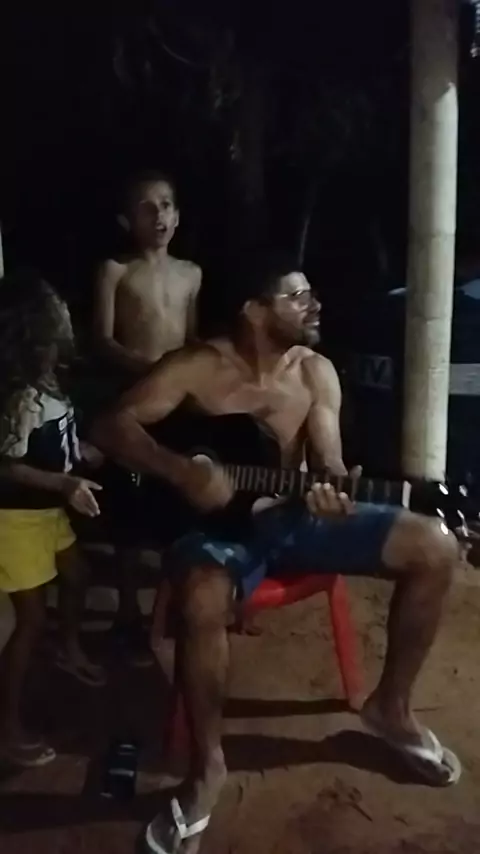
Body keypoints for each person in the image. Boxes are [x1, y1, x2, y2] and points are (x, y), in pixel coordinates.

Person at [91, 252, 461, 854]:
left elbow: (330, 459)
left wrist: (333, 486)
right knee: (201, 597)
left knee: (435, 546)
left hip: (296, 518)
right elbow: (109, 426)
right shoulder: (197, 366)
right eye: (297, 296)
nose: (314, 305)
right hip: (218, 531)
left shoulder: (315, 371)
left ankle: (390, 708)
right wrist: (179, 471)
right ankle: (207, 767)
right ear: (254, 310)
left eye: (311, 294)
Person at [93, 171, 202, 664]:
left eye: (166, 205)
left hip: (177, 407)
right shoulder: (115, 270)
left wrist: (191, 376)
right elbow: (103, 339)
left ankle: (172, 605)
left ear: (177, 216)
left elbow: (191, 339)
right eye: (146, 207)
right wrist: (151, 370)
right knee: (128, 507)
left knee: (177, 499)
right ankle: (127, 613)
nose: (158, 215)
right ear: (126, 220)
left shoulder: (192, 274)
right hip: (133, 404)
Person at [0, 271, 105, 768]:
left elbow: (57, 433)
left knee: (78, 574)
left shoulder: (49, 381)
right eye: (50, 333)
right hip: (16, 522)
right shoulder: (19, 397)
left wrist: (81, 450)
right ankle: (8, 727)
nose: (61, 338)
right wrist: (65, 484)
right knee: (29, 622)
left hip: (48, 515)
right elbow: (8, 466)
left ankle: (68, 647)